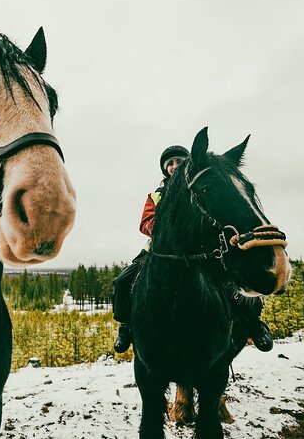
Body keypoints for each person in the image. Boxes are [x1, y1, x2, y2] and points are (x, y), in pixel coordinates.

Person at [112, 145, 273, 354]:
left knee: (232, 279)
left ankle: (253, 323)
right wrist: (167, 229)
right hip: (158, 249)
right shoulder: (156, 195)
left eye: (179, 161)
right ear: (165, 169)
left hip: (199, 248)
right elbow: (145, 223)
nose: (174, 166)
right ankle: (125, 327)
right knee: (123, 282)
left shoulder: (197, 188)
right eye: (170, 164)